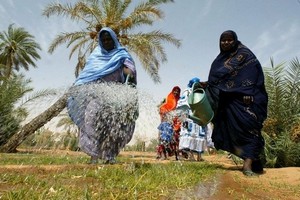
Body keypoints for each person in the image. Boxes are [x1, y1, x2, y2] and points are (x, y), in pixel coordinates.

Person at [67, 27, 138, 164]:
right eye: (103, 39)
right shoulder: (95, 56)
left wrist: (129, 71)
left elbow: (129, 71)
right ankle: (94, 157)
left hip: (114, 97)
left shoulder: (121, 54)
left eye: (109, 39)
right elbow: (86, 76)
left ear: (114, 39)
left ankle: (109, 157)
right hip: (96, 97)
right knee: (92, 123)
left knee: (113, 127)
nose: (106, 42)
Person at [203, 30, 268, 176]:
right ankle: (254, 161)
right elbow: (218, 81)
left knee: (250, 129)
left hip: (247, 100)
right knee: (233, 132)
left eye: (229, 40)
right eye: (223, 40)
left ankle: (248, 166)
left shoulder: (245, 55)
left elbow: (253, 73)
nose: (226, 43)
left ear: (235, 40)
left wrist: (248, 92)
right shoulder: (219, 60)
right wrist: (206, 84)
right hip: (229, 102)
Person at [156, 86, 181, 160]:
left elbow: (180, 112)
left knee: (176, 139)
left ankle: (177, 156)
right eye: (175, 91)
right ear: (172, 91)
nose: (176, 92)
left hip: (176, 123)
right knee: (164, 139)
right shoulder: (168, 100)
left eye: (178, 91)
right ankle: (163, 155)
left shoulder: (180, 102)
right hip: (166, 123)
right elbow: (162, 109)